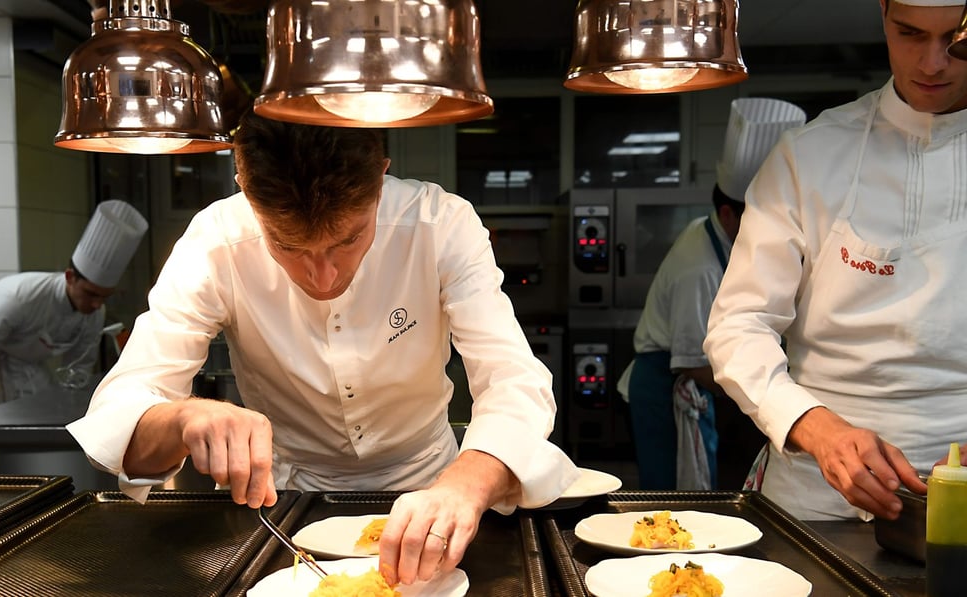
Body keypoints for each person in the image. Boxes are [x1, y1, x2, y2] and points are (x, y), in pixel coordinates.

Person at [66, 110, 578, 586]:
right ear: (245, 189)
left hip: (432, 488)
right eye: (288, 246)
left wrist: (465, 485)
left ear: (380, 177)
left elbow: (513, 379)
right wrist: (182, 417)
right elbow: (124, 407)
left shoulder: (440, 223)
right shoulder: (215, 241)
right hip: (283, 504)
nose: (323, 276)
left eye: (349, 240)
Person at [703, 0, 967, 521]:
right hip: (817, 497)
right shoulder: (810, 155)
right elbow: (738, 327)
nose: (931, 63)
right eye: (910, 34)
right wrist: (818, 429)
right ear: (884, 16)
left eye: (956, 43)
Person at [620, 98, 807, 490]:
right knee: (671, 492)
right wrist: (763, 393)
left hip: (685, 381)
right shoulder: (700, 266)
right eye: (758, 216)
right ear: (728, 214)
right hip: (664, 387)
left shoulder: (711, 235)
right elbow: (690, 362)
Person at [0, 200, 148, 413]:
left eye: (104, 297)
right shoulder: (16, 297)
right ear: (70, 277)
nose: (97, 304)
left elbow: (78, 369)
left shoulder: (95, 312)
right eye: (91, 294)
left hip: (35, 380)